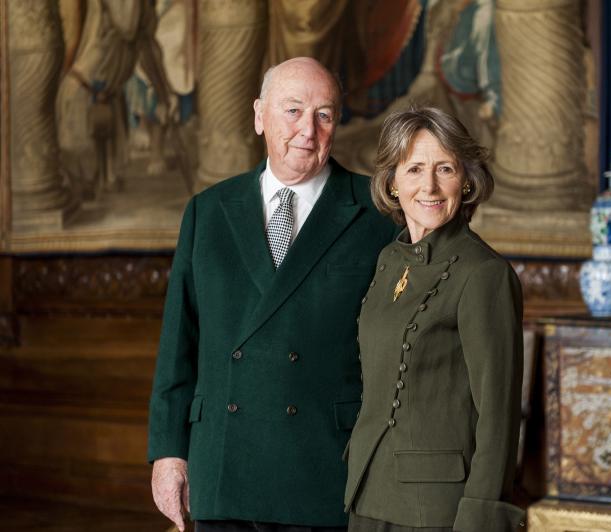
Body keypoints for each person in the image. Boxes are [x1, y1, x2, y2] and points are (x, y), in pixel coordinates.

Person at [147, 57, 396, 532]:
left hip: (327, 468)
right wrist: (168, 454)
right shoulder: (208, 210)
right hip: (223, 466)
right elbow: (179, 344)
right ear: (259, 115)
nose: (309, 129)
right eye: (294, 110)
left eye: (325, 114)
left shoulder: (378, 209)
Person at [343, 107, 526, 532]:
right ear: (392, 181)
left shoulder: (484, 274)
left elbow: (498, 415)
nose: (429, 186)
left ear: (465, 180)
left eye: (444, 168)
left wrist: (479, 518)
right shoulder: (390, 259)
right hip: (367, 494)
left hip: (439, 511)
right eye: (414, 169)